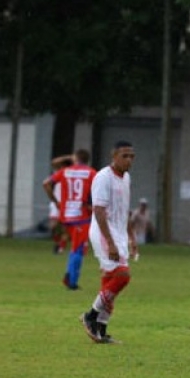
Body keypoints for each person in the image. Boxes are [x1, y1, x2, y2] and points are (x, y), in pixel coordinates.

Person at [79, 141, 138, 344]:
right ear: (114, 156)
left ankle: (101, 331)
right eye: (124, 155)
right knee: (122, 276)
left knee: (110, 281)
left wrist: (131, 237)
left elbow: (125, 210)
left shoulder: (126, 178)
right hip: (104, 233)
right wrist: (111, 243)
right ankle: (91, 315)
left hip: (119, 234)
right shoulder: (103, 177)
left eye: (132, 156)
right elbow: (98, 211)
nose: (129, 160)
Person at [45, 149, 97, 290]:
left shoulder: (65, 171)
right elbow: (98, 190)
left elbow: (46, 184)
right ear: (87, 160)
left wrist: (55, 201)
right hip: (81, 216)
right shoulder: (92, 173)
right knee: (79, 249)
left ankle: (68, 275)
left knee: (74, 246)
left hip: (66, 215)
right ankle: (72, 282)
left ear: (76, 158)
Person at [47, 155, 73, 255]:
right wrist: (69, 157)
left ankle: (60, 248)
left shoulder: (73, 173)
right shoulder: (60, 172)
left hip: (68, 203)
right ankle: (57, 242)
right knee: (53, 226)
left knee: (65, 228)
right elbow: (53, 162)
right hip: (56, 202)